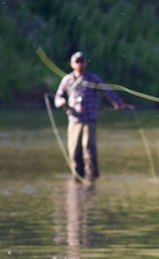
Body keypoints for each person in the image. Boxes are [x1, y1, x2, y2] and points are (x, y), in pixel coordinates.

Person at [54, 51, 127, 182]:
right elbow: (58, 97)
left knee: (89, 150)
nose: (80, 64)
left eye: (82, 61)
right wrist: (61, 102)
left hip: (89, 120)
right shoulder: (67, 80)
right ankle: (77, 179)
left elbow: (107, 91)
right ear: (72, 64)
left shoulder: (93, 79)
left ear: (85, 63)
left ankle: (93, 179)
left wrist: (118, 103)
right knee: (74, 151)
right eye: (77, 61)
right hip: (74, 120)